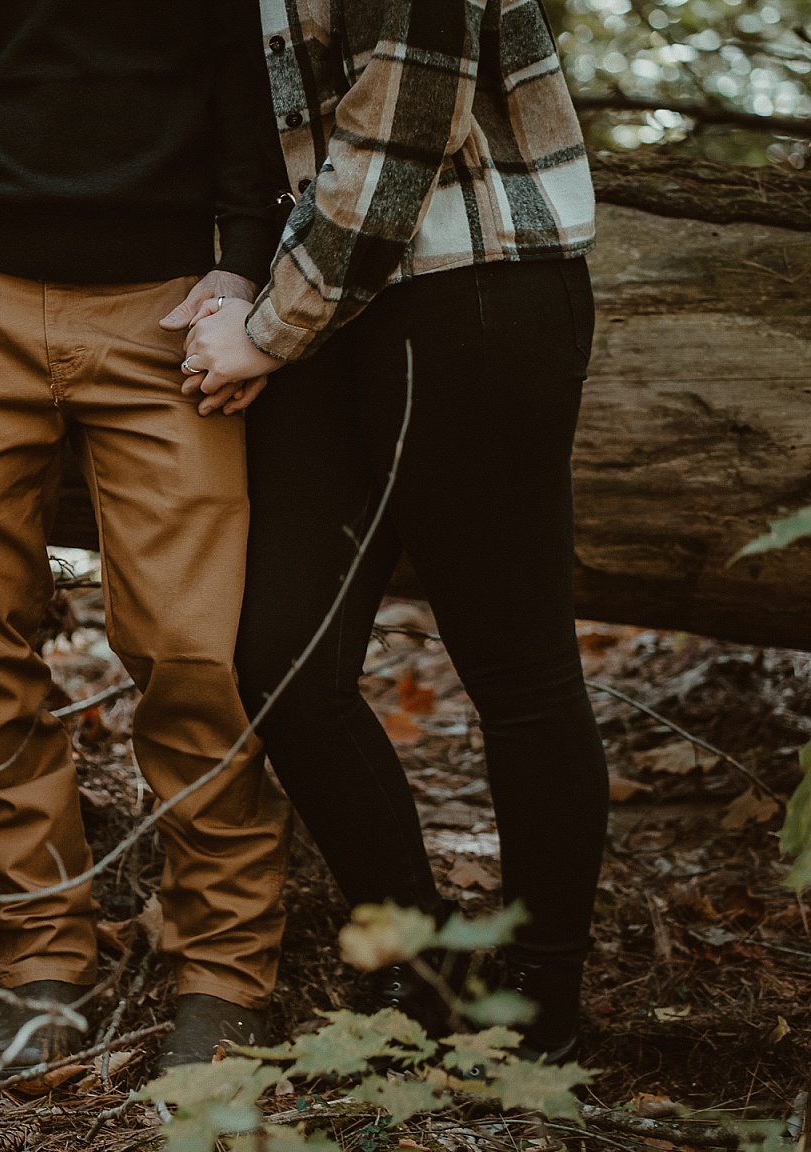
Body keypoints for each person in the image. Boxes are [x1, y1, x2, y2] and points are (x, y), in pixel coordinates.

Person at [0, 0, 297, 1068]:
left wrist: (245, 258)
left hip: (171, 300)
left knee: (192, 647)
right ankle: (41, 961)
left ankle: (226, 971)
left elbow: (238, 62)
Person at [181, 0, 604, 1061]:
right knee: (283, 663)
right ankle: (425, 972)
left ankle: (541, 1004)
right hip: (331, 304)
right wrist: (246, 286)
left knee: (518, 673)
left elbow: (405, 115)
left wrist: (268, 330)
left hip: (470, 295)